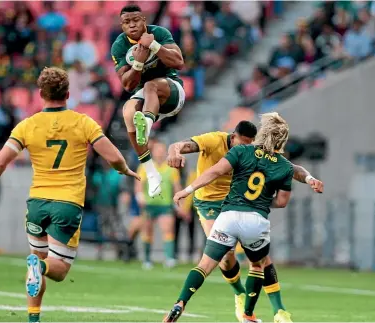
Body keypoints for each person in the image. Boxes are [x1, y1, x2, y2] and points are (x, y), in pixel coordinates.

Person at [0, 67, 139, 323]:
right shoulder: (83, 122)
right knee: (56, 269)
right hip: (66, 204)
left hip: (37, 203)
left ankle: (33, 318)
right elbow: (112, 156)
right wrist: (125, 169)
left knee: (36, 256)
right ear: (68, 94)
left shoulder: (27, 125)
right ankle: (40, 268)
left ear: (40, 95)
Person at [164, 113, 324, 323]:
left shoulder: (242, 151)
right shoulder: (280, 164)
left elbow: (213, 172)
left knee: (206, 263)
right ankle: (252, 307)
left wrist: (187, 190)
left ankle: (181, 303)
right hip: (227, 209)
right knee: (253, 263)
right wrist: (261, 200)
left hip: (229, 211)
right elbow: (284, 198)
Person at [111, 4, 185, 198]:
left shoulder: (158, 33)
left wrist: (154, 46)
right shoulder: (119, 46)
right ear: (122, 26)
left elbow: (179, 62)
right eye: (127, 22)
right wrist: (138, 63)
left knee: (151, 85)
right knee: (127, 111)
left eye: (136, 20)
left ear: (144, 20)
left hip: (170, 92)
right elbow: (127, 85)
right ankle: (151, 173)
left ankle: (146, 123)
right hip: (145, 99)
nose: (132, 25)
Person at [135, 140, 185, 269]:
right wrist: (140, 196)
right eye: (158, 150)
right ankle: (146, 259)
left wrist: (180, 202)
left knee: (168, 229)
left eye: (163, 150)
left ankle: (169, 258)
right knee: (147, 231)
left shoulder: (171, 168)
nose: (160, 153)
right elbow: (139, 184)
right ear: (153, 152)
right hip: (149, 204)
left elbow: (177, 186)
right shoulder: (145, 166)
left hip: (165, 205)